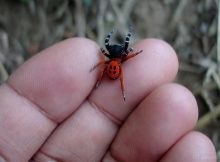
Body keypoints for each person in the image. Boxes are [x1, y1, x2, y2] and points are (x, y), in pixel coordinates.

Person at [0, 38, 216, 162]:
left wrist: (102, 67)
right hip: (112, 72)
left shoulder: (111, 62)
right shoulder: (114, 63)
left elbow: (108, 58)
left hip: (111, 71)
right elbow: (111, 60)